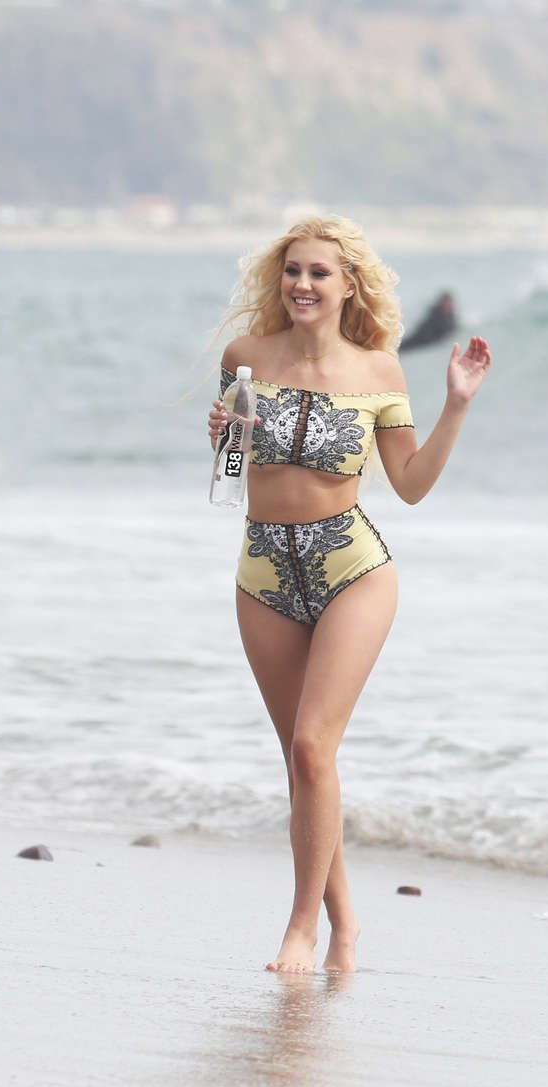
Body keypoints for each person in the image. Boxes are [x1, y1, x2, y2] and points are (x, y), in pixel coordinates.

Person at [205, 216, 491, 972]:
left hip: (351, 569)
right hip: (264, 570)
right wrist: (223, 436)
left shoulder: (379, 371)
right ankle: (346, 924)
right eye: (293, 270)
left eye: (319, 273)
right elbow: (232, 470)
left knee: (312, 748)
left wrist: (457, 403)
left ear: (348, 286)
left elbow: (411, 484)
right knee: (302, 763)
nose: (302, 284)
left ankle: (301, 929)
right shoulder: (245, 358)